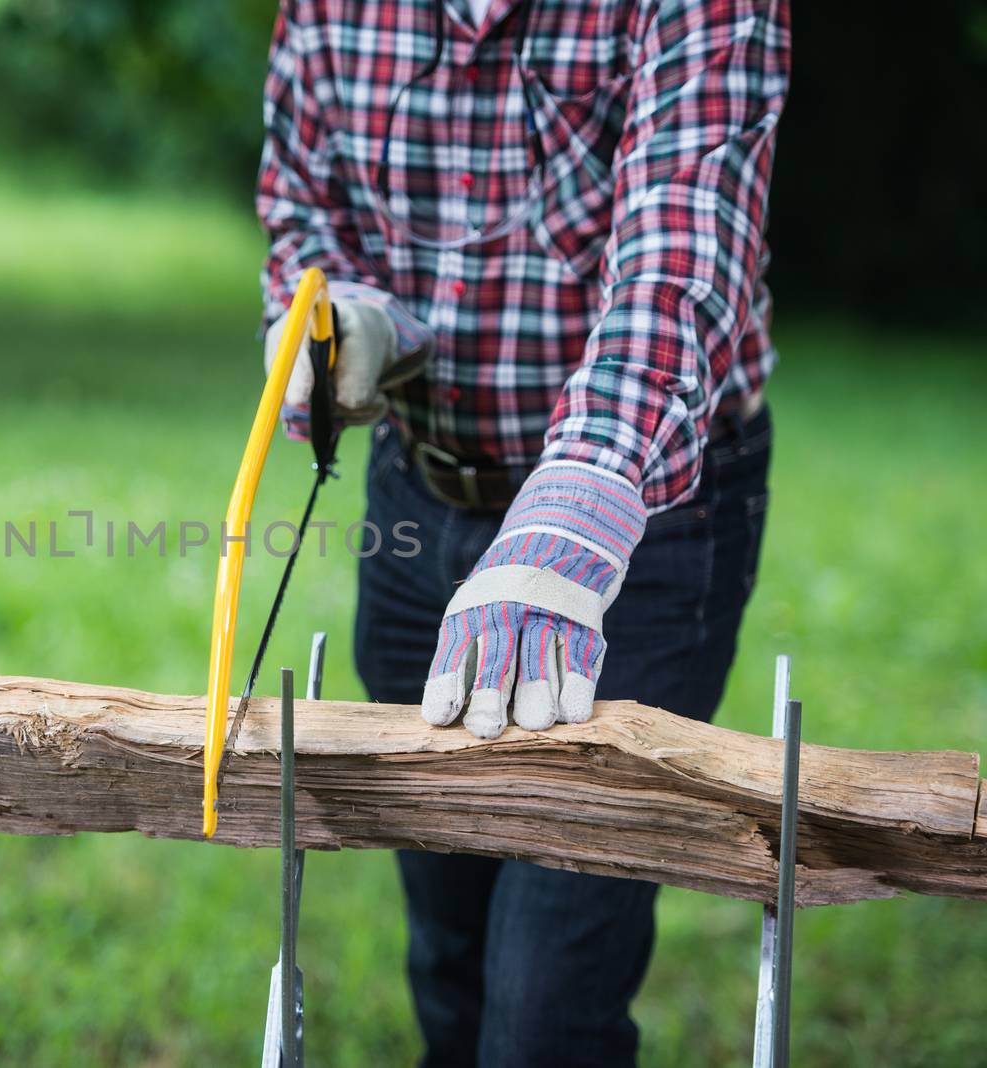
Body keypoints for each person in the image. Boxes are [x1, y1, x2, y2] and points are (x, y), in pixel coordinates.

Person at [256, 0, 789, 1064]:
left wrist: (573, 509)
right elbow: (301, 210)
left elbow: (676, 256)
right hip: (422, 498)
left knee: (545, 1005)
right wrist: (344, 319)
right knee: (448, 950)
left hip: (640, 518)